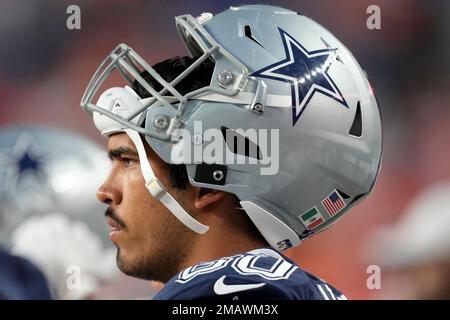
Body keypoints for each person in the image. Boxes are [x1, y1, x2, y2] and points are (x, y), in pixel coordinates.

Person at [80, 4, 382, 299]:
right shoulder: (294, 290)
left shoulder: (228, 291)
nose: (105, 191)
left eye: (130, 160)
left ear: (208, 180)